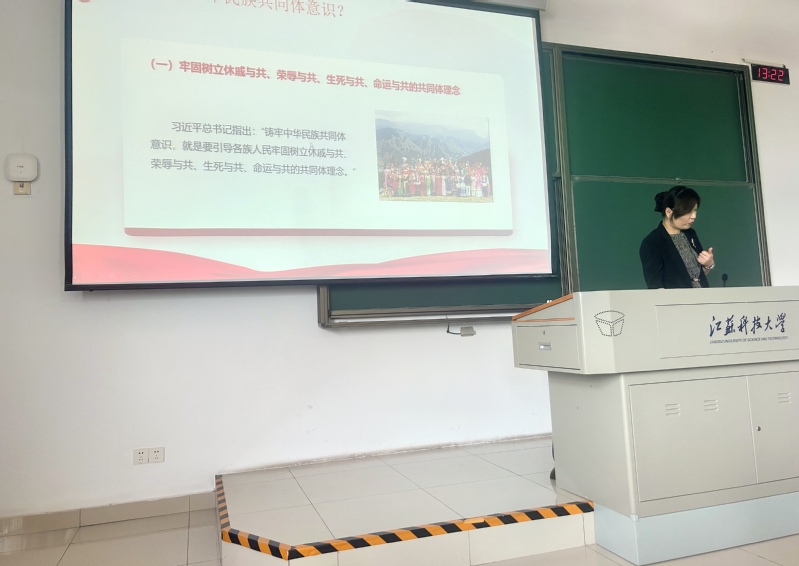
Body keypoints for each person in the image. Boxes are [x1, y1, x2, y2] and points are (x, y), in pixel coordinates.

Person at [639, 185, 715, 289]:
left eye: (695, 210)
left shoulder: (691, 234)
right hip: (678, 299)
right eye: (688, 212)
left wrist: (708, 264)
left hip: (702, 296)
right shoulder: (653, 242)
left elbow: (697, 275)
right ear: (669, 212)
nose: (694, 216)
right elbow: (655, 287)